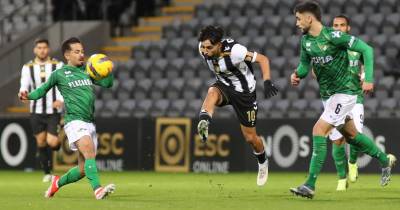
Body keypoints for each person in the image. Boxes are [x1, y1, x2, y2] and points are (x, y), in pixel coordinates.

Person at [289, 1, 396, 199]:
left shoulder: (333, 36)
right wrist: (297, 75)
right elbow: (304, 65)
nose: (296, 23)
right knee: (352, 136)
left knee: (318, 130)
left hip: (345, 93)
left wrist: (369, 79)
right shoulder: (306, 41)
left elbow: (367, 50)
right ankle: (384, 160)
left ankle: (309, 185)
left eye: (298, 18)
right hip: (328, 96)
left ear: (309, 17)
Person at [19, 37, 115, 200]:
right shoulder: (59, 74)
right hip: (74, 121)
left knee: (83, 170)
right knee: (89, 151)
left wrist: (108, 71)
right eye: (77, 52)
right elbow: (42, 90)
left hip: (90, 122)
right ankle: (98, 189)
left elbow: (107, 84)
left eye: (83, 51)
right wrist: (29, 96)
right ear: (67, 55)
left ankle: (56, 183)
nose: (81, 54)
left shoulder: (88, 70)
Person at [197, 25, 278, 186]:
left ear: (219, 44)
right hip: (224, 86)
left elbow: (263, 59)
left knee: (250, 138)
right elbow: (205, 50)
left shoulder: (236, 51)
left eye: (209, 47)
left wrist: (267, 81)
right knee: (212, 91)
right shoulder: (202, 48)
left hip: (245, 93)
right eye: (204, 47)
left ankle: (262, 161)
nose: (205, 51)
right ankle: (204, 120)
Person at [19, 38, 64, 182]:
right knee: (41, 142)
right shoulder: (28, 67)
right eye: (39, 48)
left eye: (44, 47)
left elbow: (63, 84)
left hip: (53, 110)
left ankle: (58, 146)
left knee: (52, 142)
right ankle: (47, 172)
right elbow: (24, 84)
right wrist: (23, 93)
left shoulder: (58, 64)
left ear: (48, 49)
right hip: (36, 111)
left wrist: (61, 100)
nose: (42, 50)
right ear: (35, 50)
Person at [328, 14, 365, 191]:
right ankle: (342, 179)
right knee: (337, 139)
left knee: (356, 135)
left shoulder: (357, 47)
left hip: (355, 96)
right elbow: (314, 71)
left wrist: (365, 77)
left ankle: (352, 162)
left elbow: (365, 65)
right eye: (335, 25)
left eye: (342, 25)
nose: (338, 28)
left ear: (348, 28)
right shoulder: (327, 48)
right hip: (335, 98)